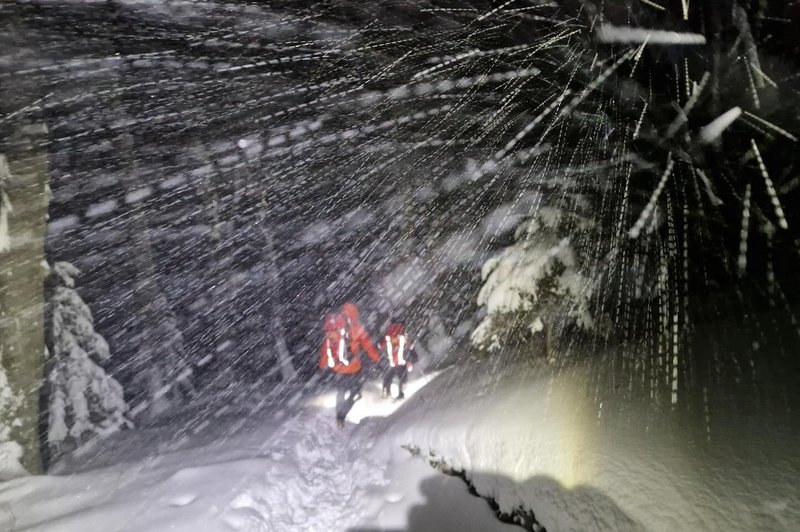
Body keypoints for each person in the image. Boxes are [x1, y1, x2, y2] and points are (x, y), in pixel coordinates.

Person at [319, 304, 379, 427]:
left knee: (340, 392)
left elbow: (326, 347)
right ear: (354, 313)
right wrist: (377, 359)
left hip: (337, 369)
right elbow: (368, 346)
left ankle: (338, 417)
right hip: (353, 368)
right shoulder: (357, 327)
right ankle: (342, 415)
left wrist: (322, 365)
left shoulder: (333, 328)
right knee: (355, 393)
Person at [378, 321, 416, 400]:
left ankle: (386, 392)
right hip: (401, 362)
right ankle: (400, 393)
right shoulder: (402, 336)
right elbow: (410, 346)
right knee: (403, 378)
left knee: (388, 377)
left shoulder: (387, 337)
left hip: (391, 362)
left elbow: (380, 346)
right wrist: (411, 349)